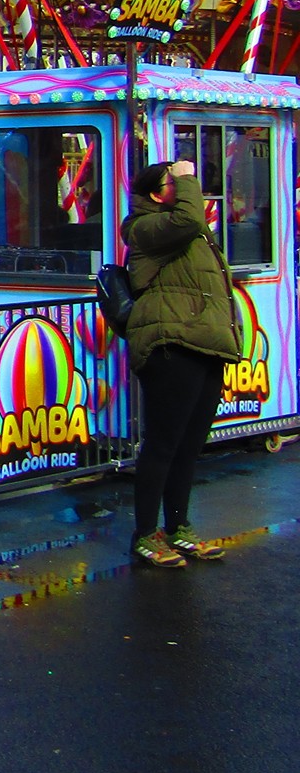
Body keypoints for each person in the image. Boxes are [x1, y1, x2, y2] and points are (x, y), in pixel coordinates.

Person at [122, 157, 242, 568]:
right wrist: (188, 176)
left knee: (190, 445)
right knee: (163, 443)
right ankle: (145, 534)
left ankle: (178, 528)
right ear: (157, 193)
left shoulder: (186, 230)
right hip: (170, 343)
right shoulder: (145, 227)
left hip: (203, 341)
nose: (188, 187)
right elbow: (189, 219)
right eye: (177, 183)